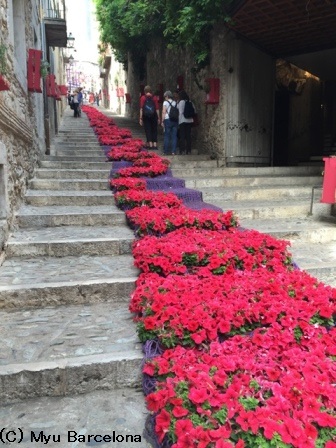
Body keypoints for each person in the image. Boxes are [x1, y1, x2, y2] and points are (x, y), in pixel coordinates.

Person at [139, 85, 160, 149]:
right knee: (154, 130)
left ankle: (150, 145)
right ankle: (155, 144)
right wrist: (158, 117)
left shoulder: (143, 98)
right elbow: (157, 109)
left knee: (148, 130)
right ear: (151, 91)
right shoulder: (154, 98)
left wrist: (140, 118)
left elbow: (141, 109)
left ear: (144, 91)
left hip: (146, 116)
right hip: (154, 116)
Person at [161, 90, 178, 155]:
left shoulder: (165, 102)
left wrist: (162, 120)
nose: (165, 98)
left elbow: (164, 112)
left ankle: (165, 151)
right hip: (174, 120)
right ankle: (173, 151)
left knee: (167, 135)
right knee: (174, 136)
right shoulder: (175, 102)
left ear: (167, 96)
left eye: (165, 96)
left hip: (167, 119)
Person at [177, 90, 195, 154]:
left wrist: (178, 121)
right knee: (188, 136)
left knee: (182, 136)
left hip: (182, 121)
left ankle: (182, 150)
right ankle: (189, 150)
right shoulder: (190, 101)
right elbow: (194, 111)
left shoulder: (181, 102)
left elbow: (180, 112)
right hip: (189, 120)